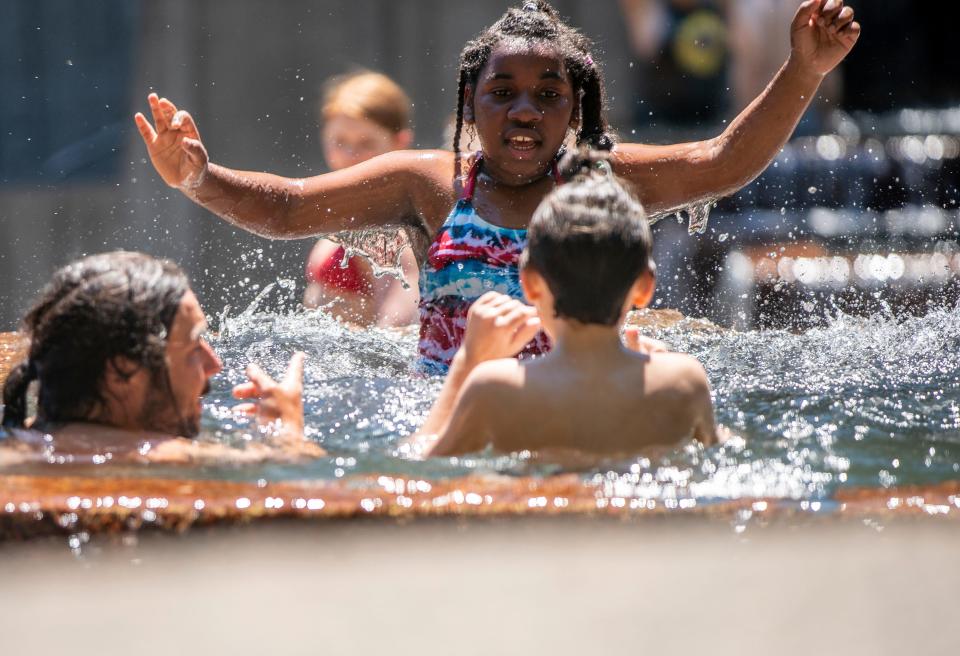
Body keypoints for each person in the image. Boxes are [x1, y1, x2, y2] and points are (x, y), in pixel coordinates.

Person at [134, 0, 860, 369]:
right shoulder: (429, 185)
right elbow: (290, 207)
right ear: (469, 104)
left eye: (548, 94)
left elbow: (721, 164)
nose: (524, 109)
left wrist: (804, 70)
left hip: (576, 405)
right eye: (502, 91)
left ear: (576, 110)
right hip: (452, 403)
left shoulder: (601, 180)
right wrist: (198, 176)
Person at [410, 152, 718, 457]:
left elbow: (420, 464)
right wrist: (655, 369)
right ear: (644, 287)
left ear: (529, 283)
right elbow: (717, 445)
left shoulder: (496, 388)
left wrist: (467, 362)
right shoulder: (685, 382)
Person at [0, 252, 322, 464]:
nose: (215, 365)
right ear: (121, 369)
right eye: (195, 346)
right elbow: (302, 477)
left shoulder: (21, 441)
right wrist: (288, 433)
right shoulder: (164, 456)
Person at [304, 70, 420, 327]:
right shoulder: (354, 211)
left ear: (400, 143)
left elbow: (397, 330)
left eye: (366, 143)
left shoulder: (389, 223)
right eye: (339, 141)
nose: (350, 155)